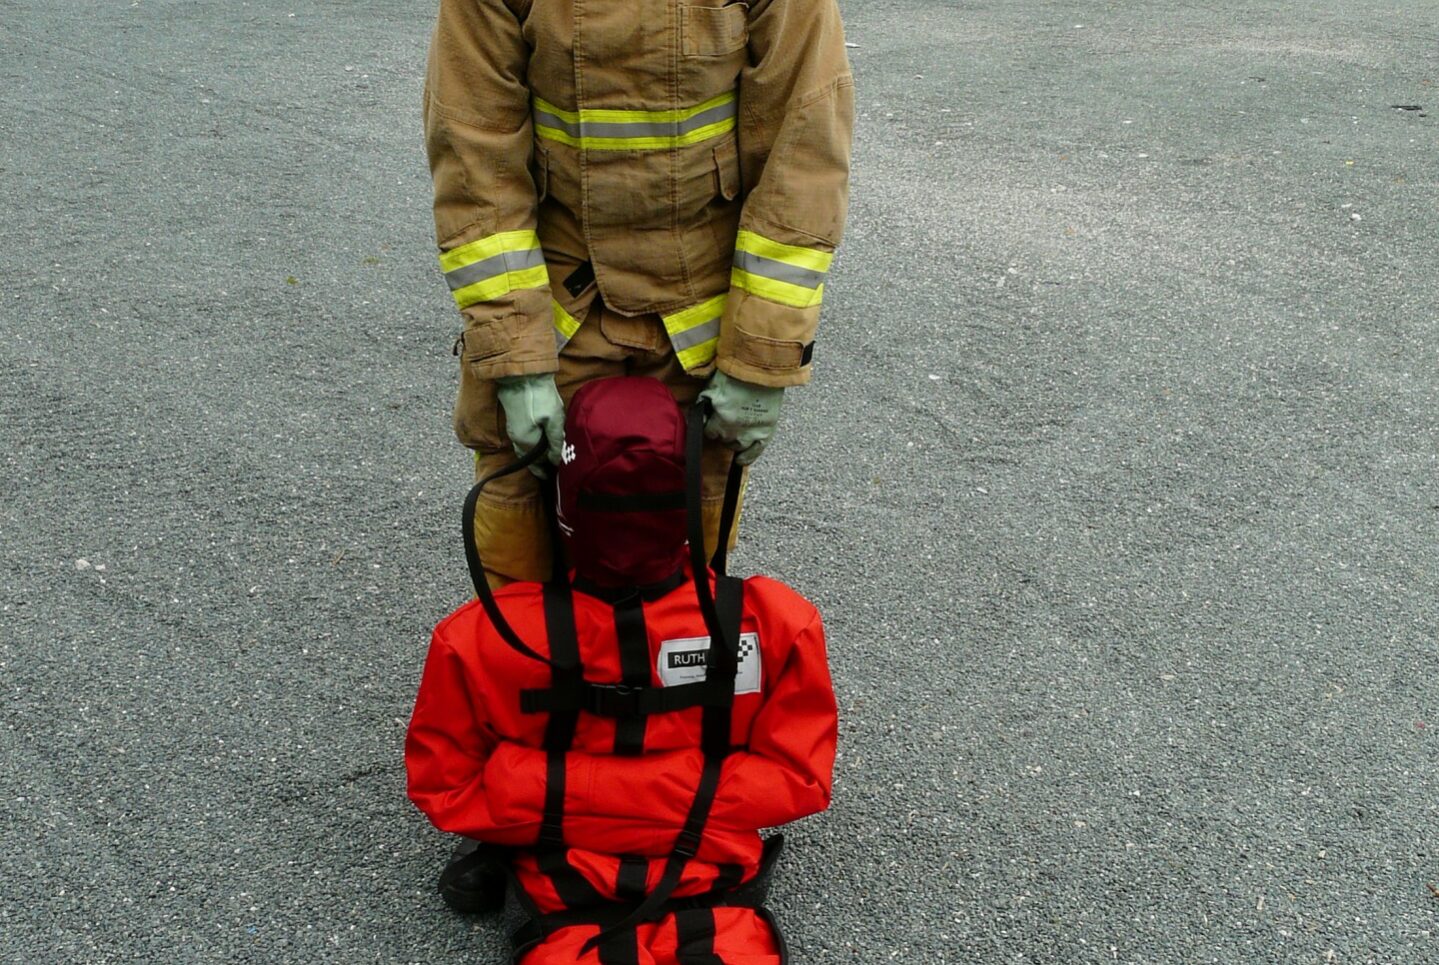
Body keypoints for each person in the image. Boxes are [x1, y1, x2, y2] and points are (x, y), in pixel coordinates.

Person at [423, 0, 855, 586]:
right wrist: (517, 365)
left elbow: (802, 158)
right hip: (553, 319)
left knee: (682, 607)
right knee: (521, 593)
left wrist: (760, 362)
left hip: (694, 338)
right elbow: (476, 162)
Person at [406, 376, 837, 963]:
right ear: (690, 493)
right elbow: (797, 778)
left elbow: (447, 786)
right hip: (714, 879)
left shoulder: (480, 637)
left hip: (558, 878)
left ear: (560, 501)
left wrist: (542, 790)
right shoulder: (777, 624)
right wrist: (691, 804)